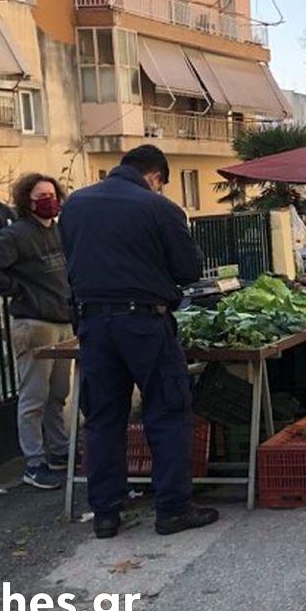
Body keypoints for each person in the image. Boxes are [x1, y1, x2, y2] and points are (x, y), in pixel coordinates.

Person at [59, 145, 217, 539]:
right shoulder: (157, 208)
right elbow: (188, 268)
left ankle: (106, 514)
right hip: (144, 322)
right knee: (167, 411)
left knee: (103, 418)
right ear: (154, 176)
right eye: (161, 183)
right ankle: (173, 509)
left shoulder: (75, 205)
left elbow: (73, 261)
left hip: (93, 324)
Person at [0, 174, 73, 490]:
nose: (49, 200)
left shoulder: (59, 231)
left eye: (52, 194)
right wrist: (15, 290)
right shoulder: (16, 235)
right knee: (34, 396)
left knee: (58, 394)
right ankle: (34, 463)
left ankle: (59, 451)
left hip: (61, 322)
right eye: (42, 195)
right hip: (34, 324)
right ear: (27, 200)